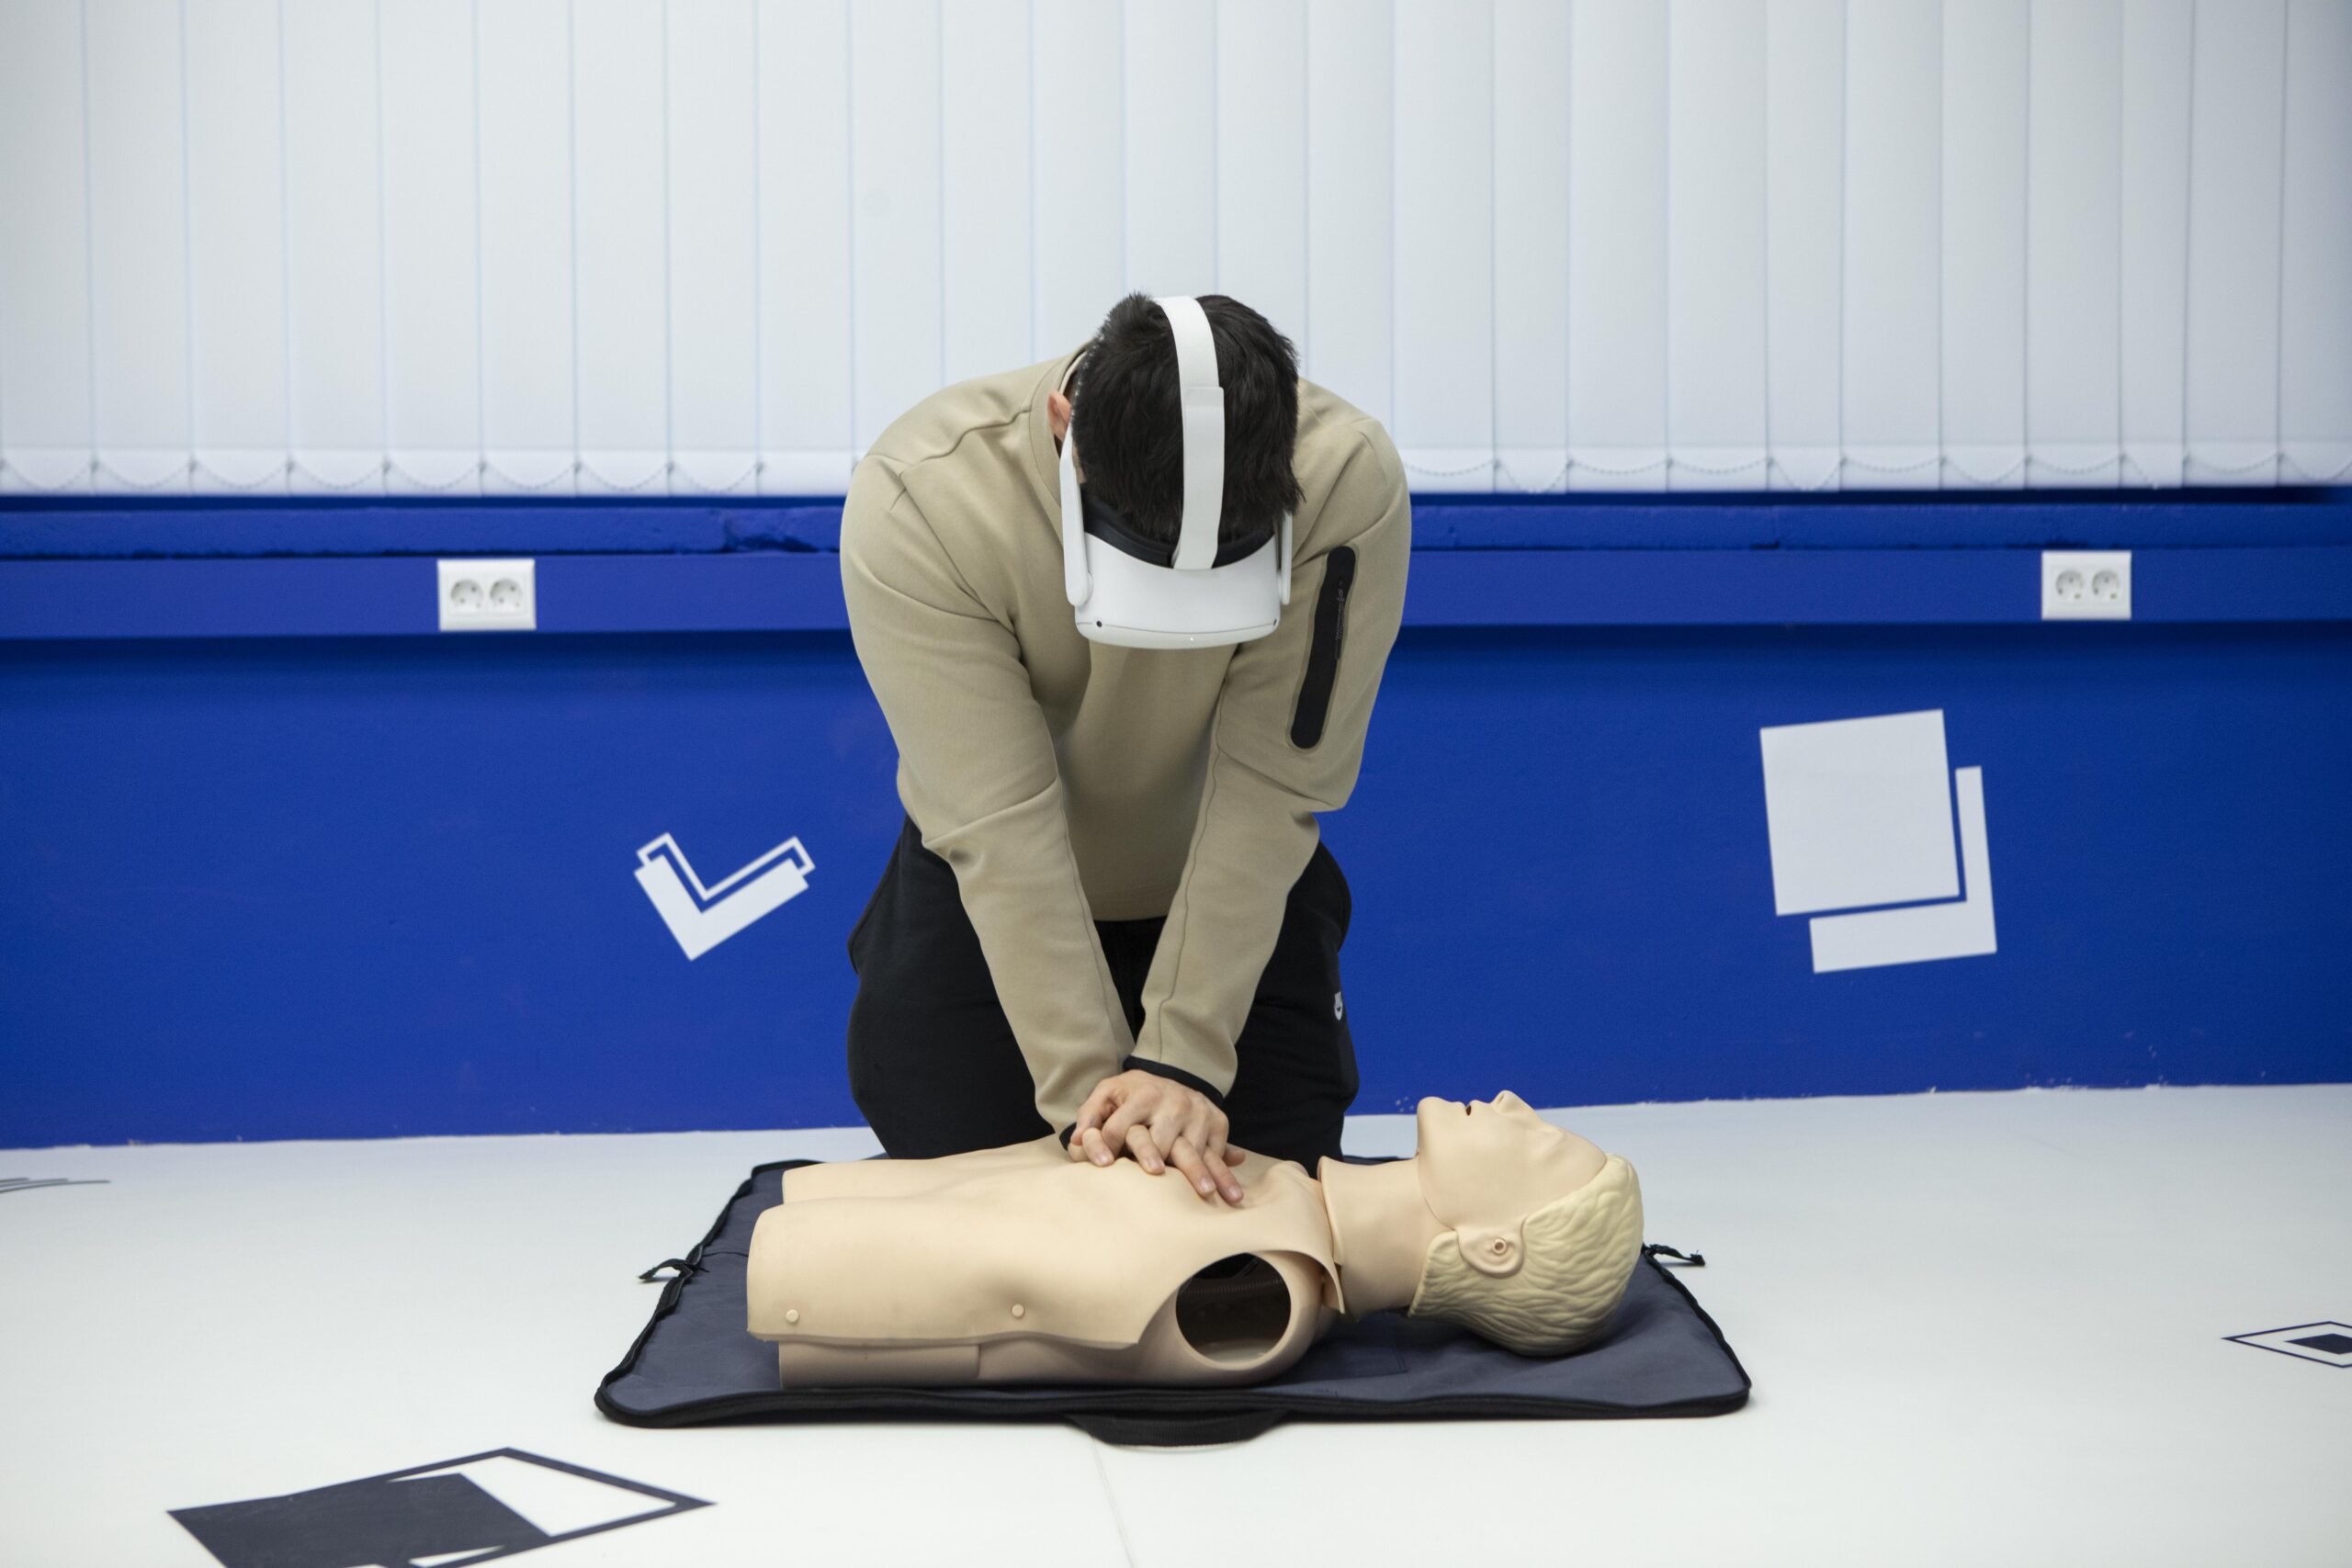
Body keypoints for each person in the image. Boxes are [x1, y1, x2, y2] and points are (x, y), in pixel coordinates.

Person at [837, 293, 1410, 1196]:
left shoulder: (1343, 477)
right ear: (1064, 426)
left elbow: (1271, 783)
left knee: (1272, 1202)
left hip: (1228, 886)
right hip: (997, 898)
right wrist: (1099, 1108)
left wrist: (1182, 1060)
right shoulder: (925, 495)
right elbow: (1000, 822)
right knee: (977, 1205)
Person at [745, 1092, 1646, 1388]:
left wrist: (798, 1267)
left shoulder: (1270, 1284)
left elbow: (1001, 1283)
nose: (1515, 1106)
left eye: (1538, 1143)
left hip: (816, 1272)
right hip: (848, 1214)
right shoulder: (1285, 1200)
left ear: (1494, 1247)